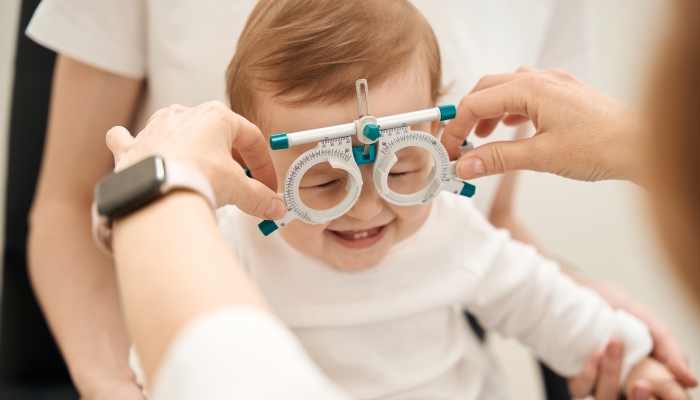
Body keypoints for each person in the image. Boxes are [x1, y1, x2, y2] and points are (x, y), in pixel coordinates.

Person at [23, 0, 693, 399]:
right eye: (322, 182)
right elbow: (165, 353)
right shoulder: (225, 240)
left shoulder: (454, 229)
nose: (367, 208)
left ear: (439, 137)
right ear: (250, 160)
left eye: (404, 171)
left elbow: (547, 303)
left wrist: (631, 355)